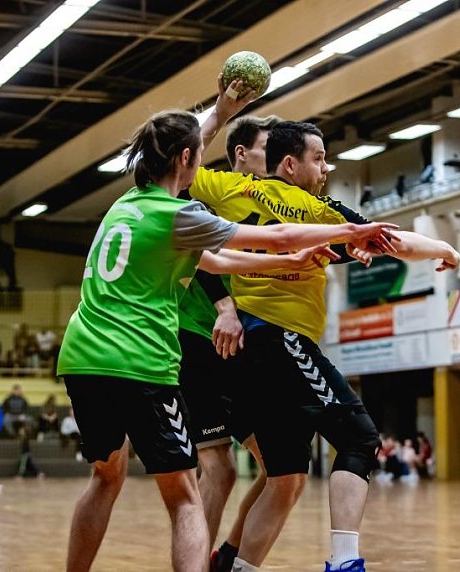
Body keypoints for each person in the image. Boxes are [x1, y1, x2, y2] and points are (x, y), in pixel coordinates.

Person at [56, 99, 398, 572]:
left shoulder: (124, 207)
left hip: (81, 357)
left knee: (105, 478)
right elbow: (272, 238)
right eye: (198, 152)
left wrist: (286, 264)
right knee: (185, 496)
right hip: (139, 359)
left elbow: (217, 262)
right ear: (185, 159)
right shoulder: (177, 213)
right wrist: (349, 233)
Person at [193, 87, 460, 572]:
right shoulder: (321, 212)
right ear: (290, 165)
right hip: (281, 339)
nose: (326, 168)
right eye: (319, 158)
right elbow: (394, 241)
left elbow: (183, 162)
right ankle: (343, 563)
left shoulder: (227, 189)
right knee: (359, 441)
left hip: (246, 354)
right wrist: (444, 247)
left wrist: (217, 115)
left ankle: (237, 569)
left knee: (286, 475)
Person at [176, 114, 281, 571]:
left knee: (283, 464)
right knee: (219, 468)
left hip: (242, 347)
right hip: (196, 339)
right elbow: (197, 251)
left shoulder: (280, 202)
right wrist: (224, 306)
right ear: (241, 154)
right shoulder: (206, 192)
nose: (277, 158)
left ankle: (228, 558)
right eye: (266, 149)